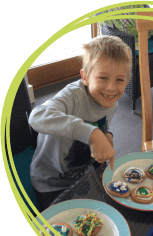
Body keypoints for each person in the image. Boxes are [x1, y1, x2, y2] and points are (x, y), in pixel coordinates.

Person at [29, 35, 132, 210]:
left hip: (87, 174)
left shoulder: (110, 100)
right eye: (103, 78)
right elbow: (36, 116)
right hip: (51, 183)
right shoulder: (71, 98)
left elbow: (101, 123)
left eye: (119, 80)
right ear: (85, 77)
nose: (111, 88)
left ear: (127, 81)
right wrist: (90, 134)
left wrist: (107, 135)